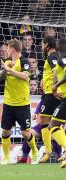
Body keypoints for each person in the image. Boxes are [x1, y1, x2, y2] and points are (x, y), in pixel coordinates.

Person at [0, 39, 38, 165]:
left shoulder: (24, 61)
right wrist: (5, 69)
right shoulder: (8, 62)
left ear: (12, 49)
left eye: (8, 49)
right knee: (5, 131)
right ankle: (6, 157)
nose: (6, 51)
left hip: (22, 103)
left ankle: (35, 151)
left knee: (26, 132)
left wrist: (9, 70)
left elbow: (25, 76)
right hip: (9, 103)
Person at [39, 36, 61, 163]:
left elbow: (56, 71)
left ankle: (48, 151)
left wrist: (54, 86)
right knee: (55, 122)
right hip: (56, 93)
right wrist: (44, 79)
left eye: (42, 44)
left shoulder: (52, 56)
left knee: (45, 120)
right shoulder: (58, 55)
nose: (41, 46)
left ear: (47, 45)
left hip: (51, 94)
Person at [48, 38, 66, 168]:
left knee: (53, 125)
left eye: (58, 44)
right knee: (53, 125)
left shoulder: (63, 57)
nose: (57, 46)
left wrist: (55, 86)